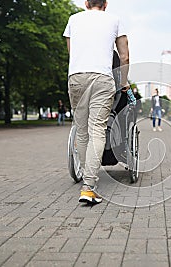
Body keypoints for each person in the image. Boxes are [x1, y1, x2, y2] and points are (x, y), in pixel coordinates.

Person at [63, 0, 129, 204]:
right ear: (106, 4)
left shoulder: (73, 20)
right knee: (97, 130)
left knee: (81, 130)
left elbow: (71, 52)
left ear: (85, 3)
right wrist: (124, 82)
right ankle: (89, 187)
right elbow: (124, 56)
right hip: (102, 78)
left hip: (76, 77)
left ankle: (85, 176)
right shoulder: (115, 20)